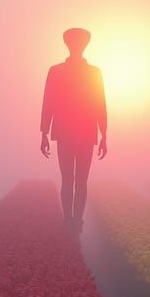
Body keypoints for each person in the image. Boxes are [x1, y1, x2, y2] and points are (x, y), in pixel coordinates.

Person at [40, 28, 108, 232]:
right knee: (72, 179)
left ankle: (74, 219)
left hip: (79, 132)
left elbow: (99, 103)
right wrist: (44, 132)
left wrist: (104, 134)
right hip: (74, 132)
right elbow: (48, 103)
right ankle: (72, 219)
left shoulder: (90, 72)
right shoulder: (59, 71)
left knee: (75, 180)